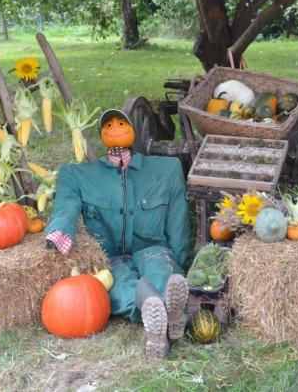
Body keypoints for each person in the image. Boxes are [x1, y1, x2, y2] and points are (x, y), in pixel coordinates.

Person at [44, 108, 191, 359]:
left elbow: (178, 220)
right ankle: (159, 313)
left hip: (153, 249)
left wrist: (180, 260)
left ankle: (162, 308)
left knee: (162, 270)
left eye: (120, 123)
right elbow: (66, 207)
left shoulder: (166, 170)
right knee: (115, 287)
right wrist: (59, 231)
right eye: (108, 125)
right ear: (102, 134)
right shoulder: (78, 176)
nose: (115, 128)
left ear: (132, 130)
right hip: (110, 258)